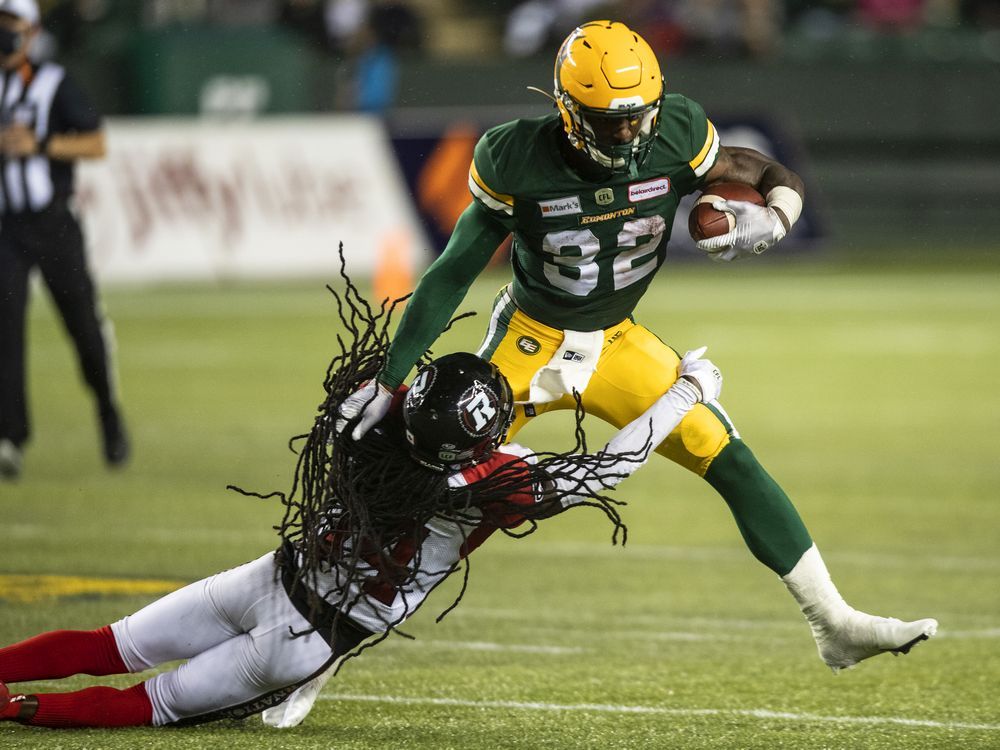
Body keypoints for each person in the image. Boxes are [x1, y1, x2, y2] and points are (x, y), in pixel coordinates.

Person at [340, 20, 937, 673]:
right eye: (609, 121)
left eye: (637, 118)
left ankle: (835, 623)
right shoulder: (516, 157)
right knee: (426, 489)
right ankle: (327, 641)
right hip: (529, 343)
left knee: (728, 457)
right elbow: (452, 272)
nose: (627, 134)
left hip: (620, 341)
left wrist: (772, 221)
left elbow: (764, 170)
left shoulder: (675, 132)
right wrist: (389, 379)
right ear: (567, 111)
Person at [0, 268, 723, 729]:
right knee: (148, 705)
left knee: (111, 646)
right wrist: (683, 394)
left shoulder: (372, 419)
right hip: (310, 639)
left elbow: (377, 377)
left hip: (270, 577)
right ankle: (18, 712)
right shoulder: (494, 479)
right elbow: (603, 470)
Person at [0, 0, 128, 480]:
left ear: (30, 32)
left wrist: (41, 145)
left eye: (9, 24)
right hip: (6, 227)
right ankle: (11, 437)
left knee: (84, 328)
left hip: (53, 223)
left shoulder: (54, 83)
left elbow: (95, 142)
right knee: (5, 331)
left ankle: (107, 409)